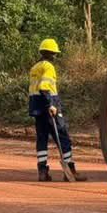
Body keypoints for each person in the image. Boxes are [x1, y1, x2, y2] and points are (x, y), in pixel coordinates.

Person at [27, 38, 85, 182]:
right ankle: (69, 170)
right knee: (63, 137)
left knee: (42, 139)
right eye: (54, 54)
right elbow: (45, 88)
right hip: (49, 107)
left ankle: (42, 171)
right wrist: (51, 105)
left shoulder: (35, 67)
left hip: (37, 108)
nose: (55, 56)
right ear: (51, 53)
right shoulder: (48, 67)